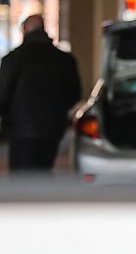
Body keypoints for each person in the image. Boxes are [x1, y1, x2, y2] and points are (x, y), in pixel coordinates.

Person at [0, 14, 81, 173]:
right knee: (44, 169)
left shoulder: (13, 59)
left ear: (25, 30)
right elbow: (74, 94)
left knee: (21, 174)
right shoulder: (65, 60)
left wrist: (6, 118)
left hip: (20, 128)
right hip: (52, 127)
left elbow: (3, 93)